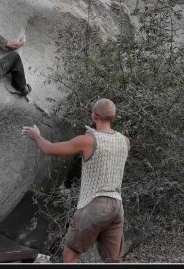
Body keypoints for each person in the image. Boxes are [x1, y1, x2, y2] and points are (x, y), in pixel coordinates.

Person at [22, 99, 130, 263]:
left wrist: (36, 136)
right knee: (113, 260)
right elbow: (108, 151)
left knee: (70, 255)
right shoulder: (125, 141)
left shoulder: (87, 140)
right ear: (113, 117)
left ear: (94, 116)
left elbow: (49, 149)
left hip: (94, 205)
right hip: (117, 207)